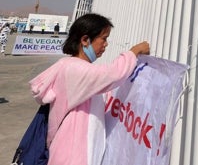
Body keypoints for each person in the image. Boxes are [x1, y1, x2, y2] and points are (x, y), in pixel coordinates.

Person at [29, 13, 150, 165]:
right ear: (85, 40)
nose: (106, 44)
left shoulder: (69, 65)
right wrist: (134, 52)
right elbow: (113, 74)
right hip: (72, 153)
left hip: (71, 149)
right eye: (104, 39)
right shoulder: (75, 69)